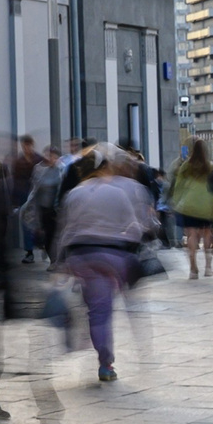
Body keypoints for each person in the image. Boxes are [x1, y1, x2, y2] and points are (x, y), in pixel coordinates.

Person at [54, 146, 157, 381]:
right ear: (105, 168)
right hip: (113, 256)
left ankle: (97, 353)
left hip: (82, 256)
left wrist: (60, 262)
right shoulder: (117, 193)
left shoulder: (75, 193)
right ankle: (115, 357)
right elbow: (133, 228)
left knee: (96, 311)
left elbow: (65, 230)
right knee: (110, 308)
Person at [167, 138, 213, 280]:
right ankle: (208, 267)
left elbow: (179, 185)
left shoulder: (186, 165)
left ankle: (193, 268)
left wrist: (176, 202)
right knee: (208, 234)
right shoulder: (211, 166)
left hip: (189, 204)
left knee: (191, 235)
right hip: (206, 203)